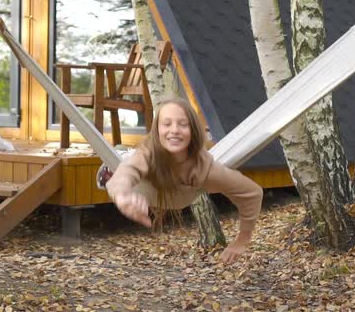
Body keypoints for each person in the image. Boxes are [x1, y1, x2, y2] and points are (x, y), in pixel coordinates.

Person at [103, 97, 263, 263]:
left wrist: (242, 240)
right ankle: (118, 158)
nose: (175, 130)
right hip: (144, 184)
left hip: (184, 192)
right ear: (157, 130)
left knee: (127, 171)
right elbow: (128, 170)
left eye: (183, 124)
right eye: (166, 124)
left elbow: (252, 193)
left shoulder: (206, 170)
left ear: (193, 130)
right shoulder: (147, 153)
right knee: (124, 169)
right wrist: (122, 195)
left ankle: (120, 158)